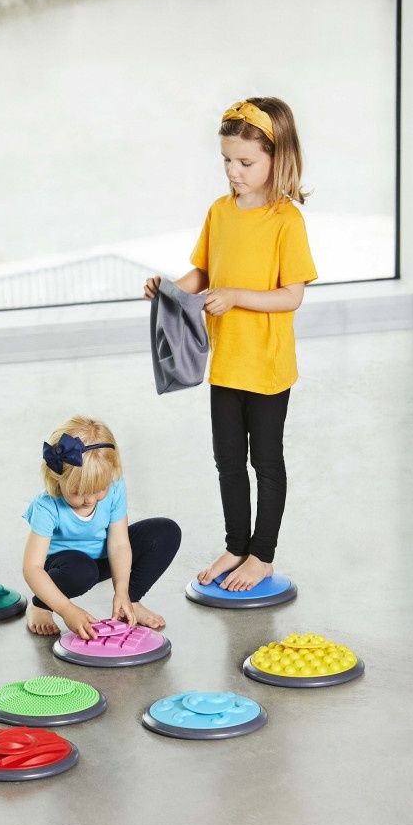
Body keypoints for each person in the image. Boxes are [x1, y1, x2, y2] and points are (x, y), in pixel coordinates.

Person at [143, 97, 317, 592]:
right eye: (226, 160)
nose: (233, 172)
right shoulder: (219, 213)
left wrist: (237, 296)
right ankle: (236, 545)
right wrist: (170, 289)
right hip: (225, 366)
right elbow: (203, 273)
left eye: (245, 162)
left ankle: (262, 556)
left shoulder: (286, 221)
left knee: (266, 462)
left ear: (277, 159)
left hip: (267, 367)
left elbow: (292, 296)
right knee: (227, 462)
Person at [22, 415, 181, 639]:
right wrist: (67, 610)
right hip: (68, 567)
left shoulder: (115, 486)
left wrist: (122, 591)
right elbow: (32, 568)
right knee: (83, 571)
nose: (90, 500)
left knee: (165, 532)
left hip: (103, 557)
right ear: (57, 478)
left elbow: (119, 543)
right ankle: (41, 605)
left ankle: (130, 602)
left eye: (99, 490)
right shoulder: (46, 506)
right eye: (78, 492)